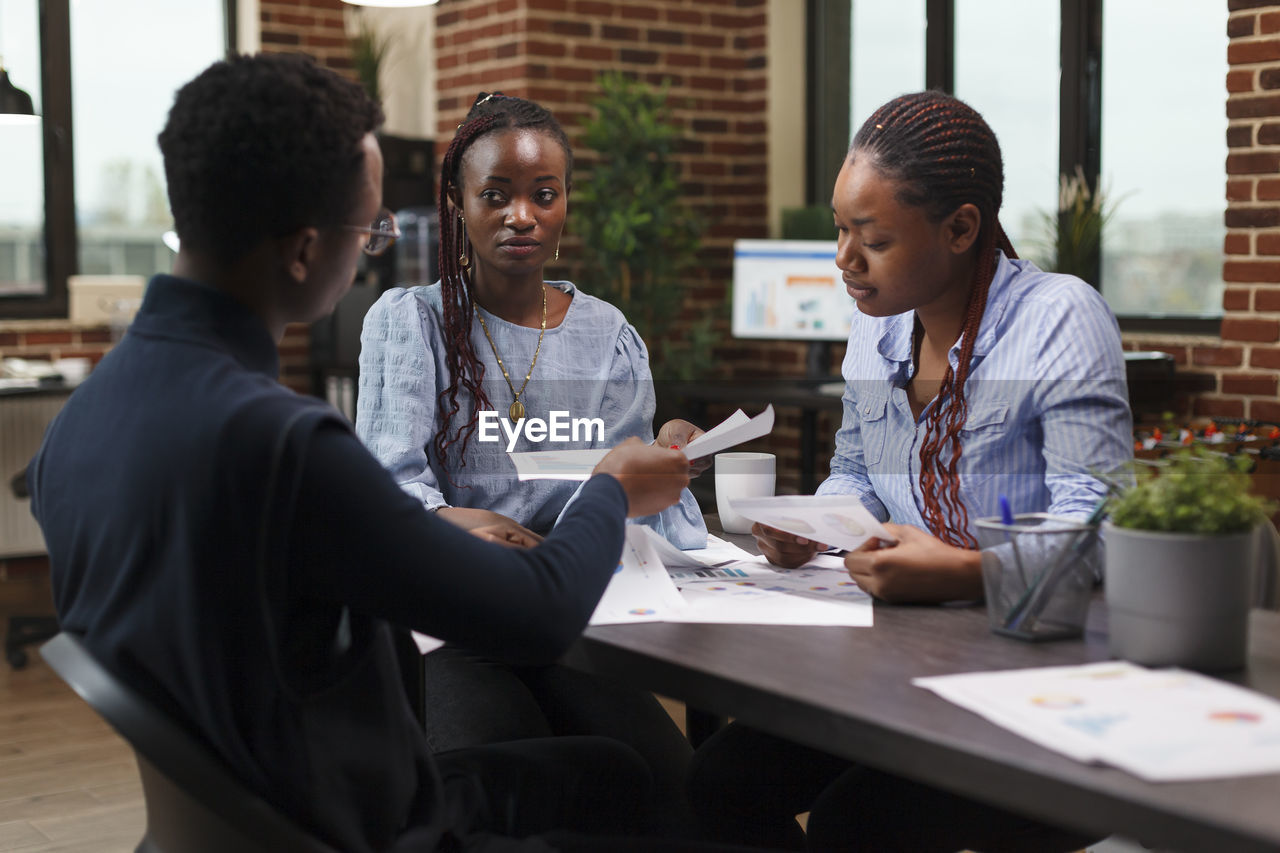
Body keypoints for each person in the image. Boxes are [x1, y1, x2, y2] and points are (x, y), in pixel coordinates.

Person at [27, 53, 739, 853]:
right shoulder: (286, 449)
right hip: (362, 826)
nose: (374, 248)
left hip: (243, 810)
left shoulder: (80, 423)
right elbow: (535, 612)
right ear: (303, 250)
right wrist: (610, 483)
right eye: (369, 228)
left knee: (612, 769)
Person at [687, 91, 1131, 851]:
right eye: (839, 230)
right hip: (903, 656)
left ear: (961, 228)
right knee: (713, 787)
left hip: (1035, 670)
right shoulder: (877, 326)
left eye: (873, 238)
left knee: (855, 823)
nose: (843, 259)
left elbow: (1098, 527)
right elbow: (856, 470)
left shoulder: (1061, 316)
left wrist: (961, 571)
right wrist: (812, 527)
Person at [356, 92, 705, 834]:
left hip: (573, 611)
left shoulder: (608, 334)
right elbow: (387, 489)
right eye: (496, 195)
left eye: (544, 196)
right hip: (457, 617)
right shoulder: (409, 322)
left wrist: (663, 461)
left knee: (672, 790)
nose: (522, 216)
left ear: (565, 203)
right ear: (456, 203)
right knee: (506, 795)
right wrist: (457, 524)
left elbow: (619, 493)